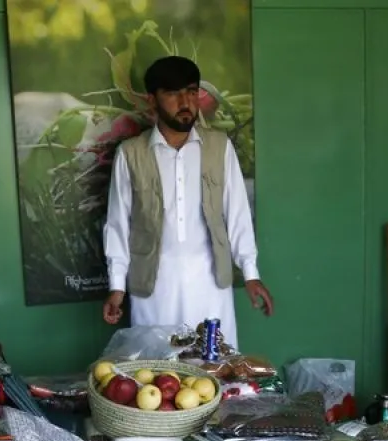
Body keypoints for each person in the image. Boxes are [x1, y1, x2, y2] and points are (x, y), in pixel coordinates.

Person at [101, 56, 273, 349]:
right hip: (153, 292)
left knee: (214, 368)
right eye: (173, 93)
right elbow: (118, 225)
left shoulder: (219, 147)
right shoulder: (131, 154)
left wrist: (251, 273)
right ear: (152, 100)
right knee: (157, 370)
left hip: (211, 288)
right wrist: (117, 287)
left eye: (191, 92)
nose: (185, 102)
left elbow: (238, 215)